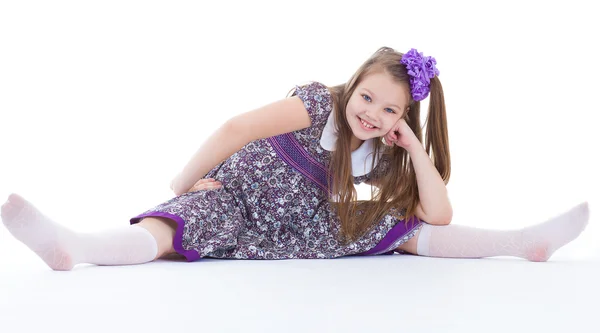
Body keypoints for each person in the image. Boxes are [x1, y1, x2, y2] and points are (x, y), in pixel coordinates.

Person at [1, 47, 589, 271]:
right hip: (238, 197)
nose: (373, 116)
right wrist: (183, 183)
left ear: (402, 118)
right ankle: (78, 247)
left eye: (391, 112)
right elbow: (237, 127)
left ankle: (520, 242)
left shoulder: (383, 150)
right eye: (367, 99)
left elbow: (437, 214)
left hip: (300, 223)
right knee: (176, 226)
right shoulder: (316, 104)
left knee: (398, 228)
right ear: (350, 85)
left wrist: (413, 149)